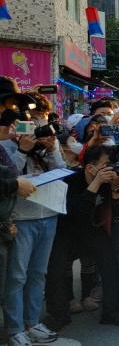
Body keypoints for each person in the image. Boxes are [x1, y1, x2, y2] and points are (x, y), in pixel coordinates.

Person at [45, 145, 119, 330]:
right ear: (90, 168)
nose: (110, 168)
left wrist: (116, 188)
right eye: (106, 164)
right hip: (65, 230)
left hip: (92, 230)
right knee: (56, 271)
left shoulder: (108, 181)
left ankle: (112, 311)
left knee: (111, 263)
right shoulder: (70, 180)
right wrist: (96, 184)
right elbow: (75, 211)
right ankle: (58, 314)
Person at [1, 90, 65, 346]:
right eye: (34, 117)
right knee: (17, 276)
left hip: (48, 213)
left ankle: (33, 322)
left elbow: (61, 170)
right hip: (21, 217)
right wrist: (23, 150)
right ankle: (15, 328)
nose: (38, 124)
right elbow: (8, 180)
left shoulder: (48, 138)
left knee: (38, 273)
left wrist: (50, 150)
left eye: (42, 117)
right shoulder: (6, 143)